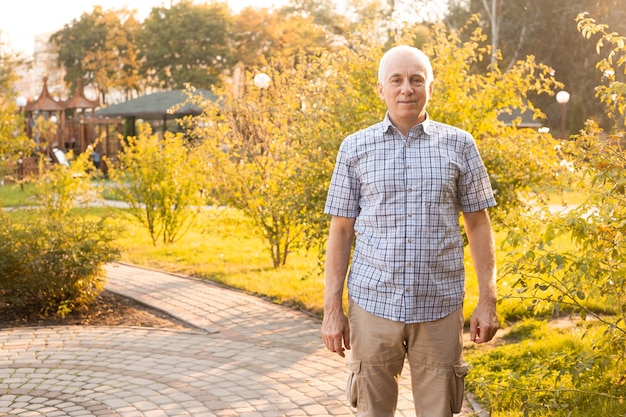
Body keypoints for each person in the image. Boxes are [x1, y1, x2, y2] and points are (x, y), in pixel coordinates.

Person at [321, 45, 499, 417]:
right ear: (381, 89)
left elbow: (479, 224)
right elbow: (340, 231)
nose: (407, 89)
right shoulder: (354, 147)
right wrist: (331, 310)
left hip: (439, 304)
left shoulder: (460, 144)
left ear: (430, 88)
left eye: (416, 80)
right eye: (397, 80)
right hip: (373, 305)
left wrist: (488, 300)